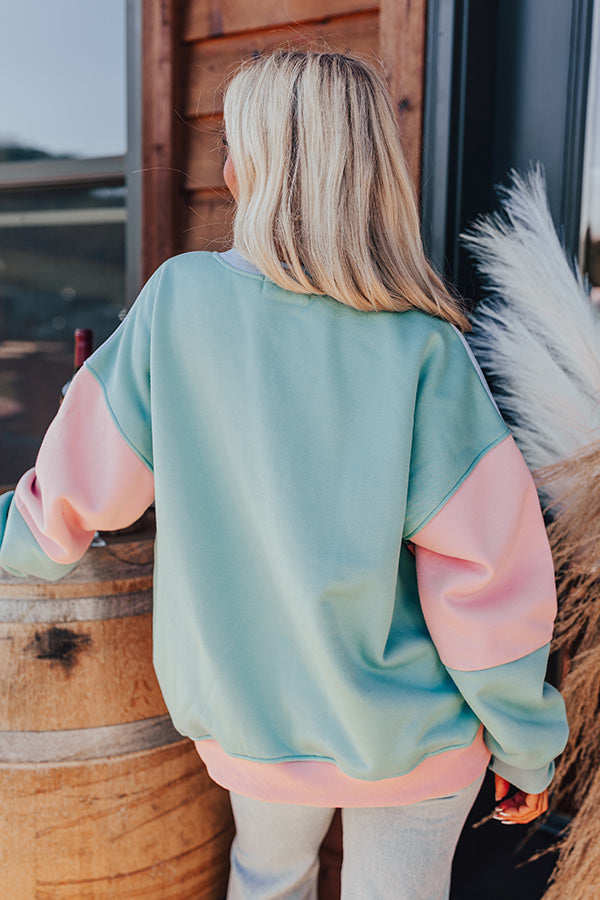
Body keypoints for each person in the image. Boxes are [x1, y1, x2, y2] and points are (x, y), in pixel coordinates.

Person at [0, 51, 567, 900]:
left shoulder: (178, 303)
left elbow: (77, 494)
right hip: (417, 737)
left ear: (260, 166)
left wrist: (24, 535)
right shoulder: (423, 343)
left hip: (255, 727)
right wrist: (526, 742)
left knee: (268, 881)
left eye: (235, 145)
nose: (224, 164)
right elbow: (486, 574)